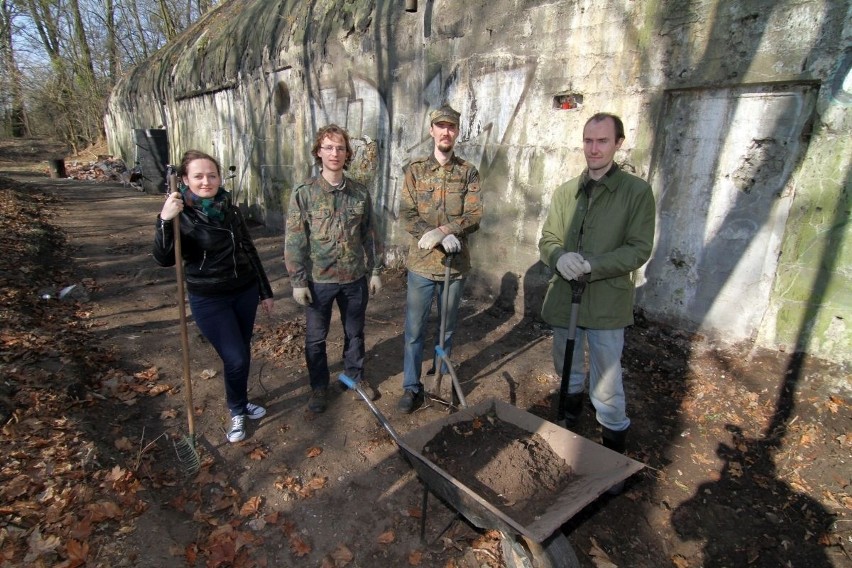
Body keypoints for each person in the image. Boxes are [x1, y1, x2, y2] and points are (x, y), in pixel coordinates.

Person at [538, 112, 655, 471]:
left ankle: (612, 449)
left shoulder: (636, 192)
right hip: (565, 300)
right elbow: (548, 239)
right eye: (588, 140)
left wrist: (593, 265)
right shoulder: (566, 192)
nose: (594, 148)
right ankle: (570, 420)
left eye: (602, 141)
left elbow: (638, 249)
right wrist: (559, 257)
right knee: (567, 365)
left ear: (618, 143)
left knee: (606, 380)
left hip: (606, 302)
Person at [153, 150, 274, 444]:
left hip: (243, 291)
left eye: (212, 175)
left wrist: (264, 290)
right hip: (209, 298)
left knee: (242, 354)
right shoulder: (181, 212)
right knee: (235, 357)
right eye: (198, 176)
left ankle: (241, 400)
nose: (206, 182)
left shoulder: (229, 209)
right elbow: (164, 258)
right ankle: (236, 409)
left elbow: (248, 248)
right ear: (185, 179)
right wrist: (164, 220)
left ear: (220, 177)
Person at [284, 124, 382, 414]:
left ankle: (353, 377)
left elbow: (370, 235)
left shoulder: (359, 193)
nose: (335, 153)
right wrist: (297, 280)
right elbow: (294, 240)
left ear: (347, 153)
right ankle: (318, 387)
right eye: (328, 147)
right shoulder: (305, 193)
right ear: (318, 152)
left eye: (340, 147)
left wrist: (375, 270)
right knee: (316, 338)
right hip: (319, 280)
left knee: (355, 333)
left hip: (354, 278)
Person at [398, 104, 483, 413]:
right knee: (414, 331)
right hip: (422, 265)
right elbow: (406, 213)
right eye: (441, 126)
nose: (446, 132)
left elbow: (475, 214)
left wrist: (447, 230)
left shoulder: (468, 171)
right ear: (431, 130)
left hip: (454, 266)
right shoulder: (416, 170)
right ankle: (411, 386)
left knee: (447, 328)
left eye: (452, 127)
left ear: (457, 132)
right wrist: (429, 234)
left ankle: (440, 377)